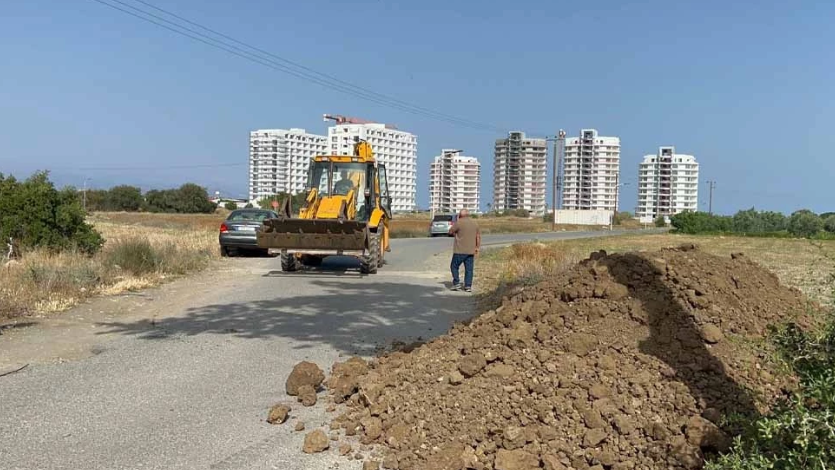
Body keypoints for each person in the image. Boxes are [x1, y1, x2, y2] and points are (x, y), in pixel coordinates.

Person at [448, 209, 480, 292]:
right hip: (471, 250)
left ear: (460, 215)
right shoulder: (475, 223)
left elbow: (450, 231)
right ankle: (468, 286)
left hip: (459, 250)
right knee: (469, 269)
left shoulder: (459, 222)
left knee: (454, 266)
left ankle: (456, 283)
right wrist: (477, 247)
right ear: (468, 215)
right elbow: (478, 237)